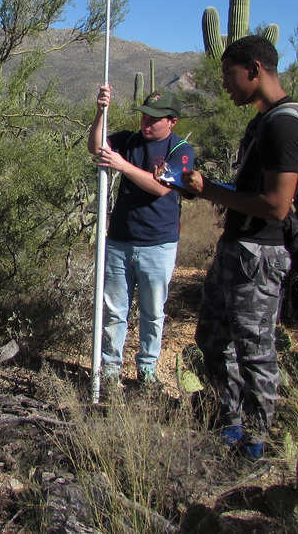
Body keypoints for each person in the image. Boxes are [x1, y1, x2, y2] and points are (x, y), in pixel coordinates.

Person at [162, 35, 298, 460]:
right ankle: (229, 420)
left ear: (254, 69)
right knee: (213, 339)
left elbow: (275, 205)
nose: (225, 86)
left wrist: (210, 190)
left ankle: (259, 439)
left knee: (255, 350)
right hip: (238, 247)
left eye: (229, 76)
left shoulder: (285, 126)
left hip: (260, 254)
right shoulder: (265, 122)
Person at [89, 85, 195, 385]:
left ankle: (147, 369)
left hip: (158, 245)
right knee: (114, 310)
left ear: (172, 121)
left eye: (154, 119)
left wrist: (123, 166)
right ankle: (110, 369)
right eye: (144, 116)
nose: (146, 123)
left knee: (152, 312)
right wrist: (100, 111)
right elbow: (97, 147)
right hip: (120, 241)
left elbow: (163, 186)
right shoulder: (129, 140)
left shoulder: (181, 150)